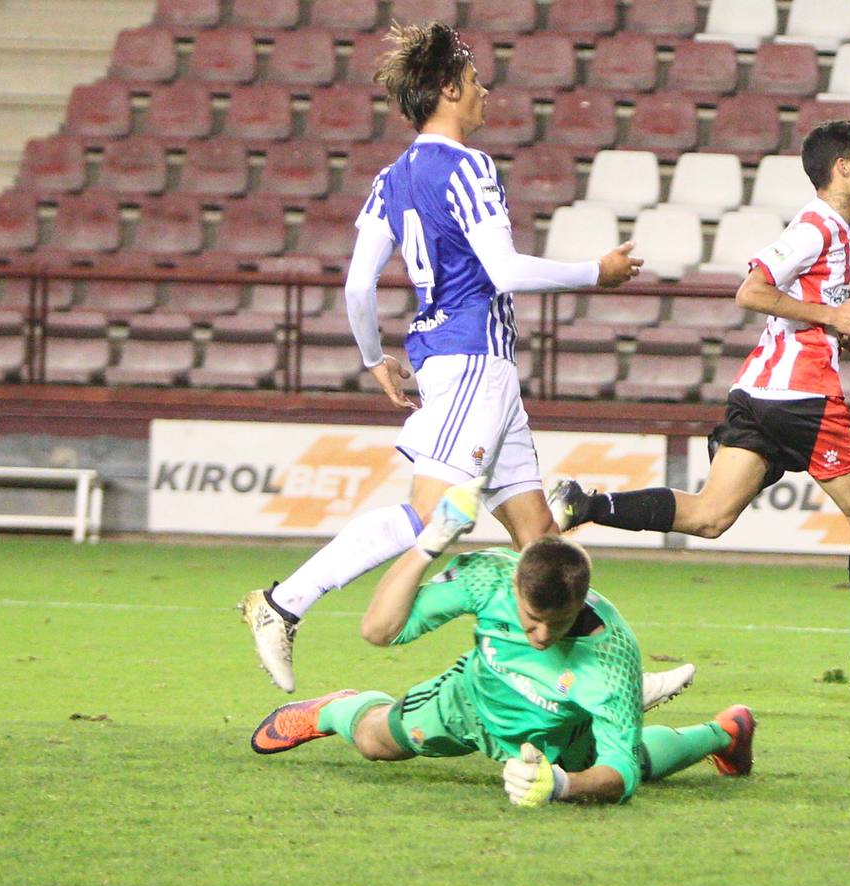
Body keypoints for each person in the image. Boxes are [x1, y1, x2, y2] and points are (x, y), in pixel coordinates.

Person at [239, 21, 644, 694]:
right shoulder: (471, 167)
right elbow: (505, 271)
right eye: (477, 81)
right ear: (451, 89)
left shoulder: (392, 178)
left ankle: (613, 674)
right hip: (470, 361)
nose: (486, 92)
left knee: (542, 539)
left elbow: (357, 284)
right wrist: (592, 273)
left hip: (470, 367)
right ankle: (283, 604)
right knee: (432, 519)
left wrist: (375, 356)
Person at [547, 121, 850, 702]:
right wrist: (833, 320)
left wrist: (837, 327)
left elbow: (792, 309)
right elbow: (751, 291)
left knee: (709, 516)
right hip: (803, 399)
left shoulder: (832, 231)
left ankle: (587, 504)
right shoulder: (816, 225)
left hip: (757, 395)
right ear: (841, 169)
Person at [249, 509, 755, 807]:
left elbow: (619, 775)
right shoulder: (489, 576)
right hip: (470, 697)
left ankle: (723, 734)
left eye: (555, 625)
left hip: (560, 732)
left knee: (633, 764)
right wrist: (424, 550)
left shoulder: (612, 657)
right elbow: (381, 630)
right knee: (373, 743)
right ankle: (333, 708)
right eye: (530, 619)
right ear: (515, 585)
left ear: (581, 602)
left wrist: (562, 785)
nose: (538, 636)